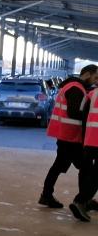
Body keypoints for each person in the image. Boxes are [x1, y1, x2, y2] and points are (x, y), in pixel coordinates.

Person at [40, 65, 98, 210]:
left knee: (59, 166)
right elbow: (74, 112)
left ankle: (47, 195)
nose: (95, 81)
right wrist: (89, 115)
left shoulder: (72, 86)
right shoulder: (76, 89)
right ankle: (83, 200)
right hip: (72, 137)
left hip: (66, 135)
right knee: (86, 169)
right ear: (87, 74)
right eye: (95, 77)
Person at [69, 84, 98, 221]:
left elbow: (82, 116)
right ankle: (81, 201)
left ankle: (84, 201)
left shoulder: (91, 94)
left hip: (89, 138)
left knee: (87, 170)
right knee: (95, 174)